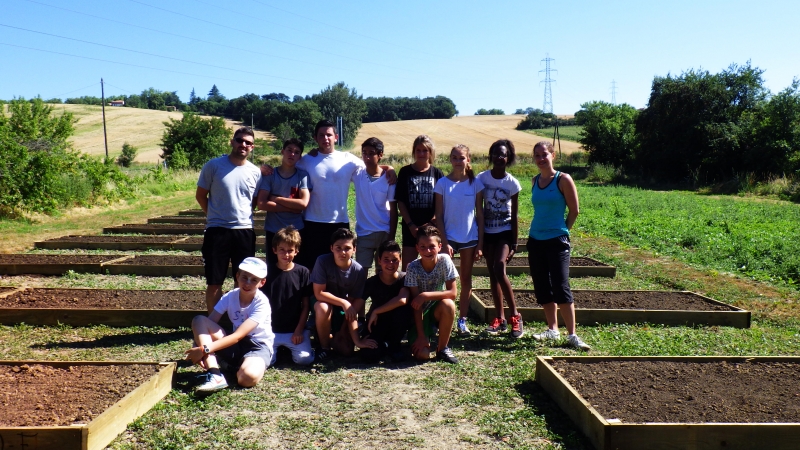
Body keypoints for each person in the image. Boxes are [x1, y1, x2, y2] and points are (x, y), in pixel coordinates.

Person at [528, 141, 590, 351]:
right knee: (542, 285)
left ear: (553, 155)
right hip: (535, 239)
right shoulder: (534, 180)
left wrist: (563, 230)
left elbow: (574, 210)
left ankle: (572, 334)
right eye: (537, 155)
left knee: (561, 285)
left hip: (557, 241)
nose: (540, 158)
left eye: (544, 154)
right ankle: (552, 329)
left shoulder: (563, 179)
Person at [196, 126, 262, 312]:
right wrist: (213, 216)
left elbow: (253, 202)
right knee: (215, 281)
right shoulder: (214, 166)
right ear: (232, 142)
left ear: (252, 147)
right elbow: (201, 195)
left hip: (244, 232)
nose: (243, 145)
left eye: (248, 143)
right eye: (240, 140)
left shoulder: (255, 172)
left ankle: (236, 323)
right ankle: (214, 325)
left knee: (242, 281)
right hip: (217, 232)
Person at [185, 257, 274, 392]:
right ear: (237, 276)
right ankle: (215, 373)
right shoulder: (230, 296)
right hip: (235, 345)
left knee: (247, 378)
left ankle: (231, 367)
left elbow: (238, 335)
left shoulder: (262, 303)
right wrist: (197, 345)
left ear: (262, 283)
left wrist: (204, 350)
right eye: (244, 277)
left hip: (257, 347)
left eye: (254, 280)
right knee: (199, 319)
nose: (247, 283)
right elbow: (209, 322)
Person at [433, 144, 484, 337]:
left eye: (461, 158)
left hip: (469, 239)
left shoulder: (476, 184)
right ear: (450, 160)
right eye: (454, 157)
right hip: (448, 239)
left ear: (468, 160)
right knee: (444, 280)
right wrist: (444, 242)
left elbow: (479, 214)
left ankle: (462, 320)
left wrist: (480, 243)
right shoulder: (443, 184)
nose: (457, 161)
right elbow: (438, 214)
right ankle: (440, 317)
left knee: (466, 280)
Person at [477, 139, 523, 338]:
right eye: (496, 154)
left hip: (504, 233)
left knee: (499, 267)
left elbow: (515, 215)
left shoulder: (512, 183)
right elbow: (478, 209)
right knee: (492, 275)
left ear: (508, 158)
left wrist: (514, 242)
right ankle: (499, 318)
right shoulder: (481, 179)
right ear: (491, 156)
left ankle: (515, 316)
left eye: (503, 154)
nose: (499, 157)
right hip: (488, 233)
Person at [311, 228, 378, 359]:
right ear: (331, 248)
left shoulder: (358, 270)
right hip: (322, 302)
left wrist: (352, 337)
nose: (342, 252)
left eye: (347, 248)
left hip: (342, 308)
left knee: (347, 350)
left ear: (354, 249)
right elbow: (319, 293)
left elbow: (354, 304)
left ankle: (330, 335)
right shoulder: (322, 261)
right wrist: (344, 302)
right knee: (323, 307)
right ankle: (324, 347)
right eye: (338, 248)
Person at [406, 225, 459, 364]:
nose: (427, 251)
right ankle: (423, 335)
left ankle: (442, 348)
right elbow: (416, 305)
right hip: (419, 314)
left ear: (440, 246)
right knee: (422, 355)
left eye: (431, 246)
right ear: (417, 248)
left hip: (436, 308)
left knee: (449, 304)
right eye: (422, 247)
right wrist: (421, 336)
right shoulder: (412, 267)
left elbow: (453, 293)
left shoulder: (445, 260)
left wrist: (425, 295)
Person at [262, 226, 314, 366]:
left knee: (304, 359)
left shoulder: (303, 272)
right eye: (282, 250)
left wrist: (298, 330)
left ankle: (297, 343)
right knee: (267, 361)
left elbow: (306, 306)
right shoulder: (266, 272)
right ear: (274, 250)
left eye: (290, 250)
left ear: (296, 251)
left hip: (295, 330)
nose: (286, 254)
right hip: (271, 330)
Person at [256, 139, 309, 270]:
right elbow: (262, 204)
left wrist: (276, 199)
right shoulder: (270, 175)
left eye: (296, 152)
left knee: (295, 269)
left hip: (296, 230)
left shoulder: (302, 176)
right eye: (289, 150)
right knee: (273, 270)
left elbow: (303, 203)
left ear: (299, 157)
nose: (292, 154)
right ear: (282, 152)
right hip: (273, 230)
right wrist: (291, 208)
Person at [396, 135, 445, 270]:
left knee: (433, 268)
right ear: (414, 152)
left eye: (425, 150)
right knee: (407, 269)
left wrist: (431, 223)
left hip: (431, 229)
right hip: (410, 228)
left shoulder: (437, 173)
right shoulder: (405, 172)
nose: (421, 154)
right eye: (418, 150)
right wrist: (411, 225)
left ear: (430, 152)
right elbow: (400, 201)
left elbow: (441, 202)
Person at [360, 240, 411, 362]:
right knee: (368, 355)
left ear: (400, 260)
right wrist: (357, 338)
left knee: (403, 310)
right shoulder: (371, 282)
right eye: (386, 259)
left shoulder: (405, 278)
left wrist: (376, 311)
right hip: (377, 324)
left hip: (397, 325)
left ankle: (394, 345)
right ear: (379, 260)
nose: (390, 264)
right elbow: (355, 306)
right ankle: (385, 345)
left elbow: (402, 300)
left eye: (395, 260)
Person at [353, 137, 397, 272]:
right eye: (364, 153)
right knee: (360, 273)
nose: (367, 157)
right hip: (364, 233)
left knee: (384, 273)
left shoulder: (388, 180)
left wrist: (391, 237)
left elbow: (394, 210)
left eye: (371, 153)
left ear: (380, 155)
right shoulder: (357, 174)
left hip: (384, 231)